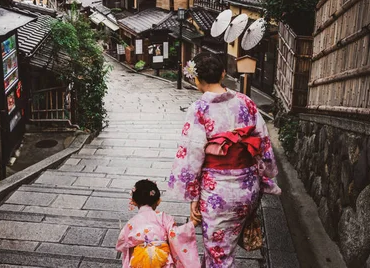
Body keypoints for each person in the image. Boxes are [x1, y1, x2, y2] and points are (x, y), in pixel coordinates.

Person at [169, 53, 280, 267]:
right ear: (223, 74)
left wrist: (193, 195)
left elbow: (192, 155)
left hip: (218, 193)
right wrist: (266, 173)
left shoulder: (199, 109)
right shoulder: (246, 102)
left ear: (196, 79)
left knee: (220, 255)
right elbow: (263, 141)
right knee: (221, 249)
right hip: (248, 189)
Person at [116, 179, 201, 268]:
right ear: (157, 201)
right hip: (162, 259)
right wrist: (193, 223)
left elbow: (122, 244)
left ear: (134, 201)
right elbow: (175, 235)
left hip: (139, 260)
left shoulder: (131, 223)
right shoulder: (163, 217)